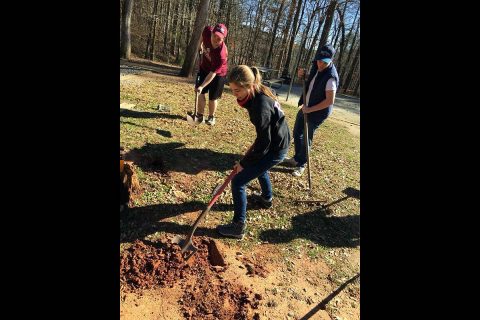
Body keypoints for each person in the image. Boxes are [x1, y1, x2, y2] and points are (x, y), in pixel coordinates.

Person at [216, 65, 291, 239]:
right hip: (277, 140)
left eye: (237, 90)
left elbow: (264, 143)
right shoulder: (256, 94)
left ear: (249, 86)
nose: (234, 94)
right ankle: (266, 199)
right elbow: (264, 136)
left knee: (238, 182)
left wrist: (243, 163)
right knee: (260, 168)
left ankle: (238, 226)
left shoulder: (260, 105)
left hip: (276, 147)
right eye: (232, 90)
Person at [282, 44, 340, 176]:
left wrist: (311, 109)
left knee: (306, 137)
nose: (320, 64)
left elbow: (329, 101)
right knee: (297, 132)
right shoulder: (316, 65)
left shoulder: (331, 77)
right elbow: (313, 80)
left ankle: (302, 164)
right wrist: (304, 75)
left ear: (331, 60)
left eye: (323, 62)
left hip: (318, 112)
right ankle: (297, 159)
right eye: (318, 60)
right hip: (307, 107)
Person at [194, 23, 229, 126]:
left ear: (223, 39)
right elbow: (202, 35)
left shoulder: (221, 54)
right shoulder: (207, 31)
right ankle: (200, 115)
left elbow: (213, 73)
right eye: (214, 36)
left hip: (218, 74)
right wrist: (200, 44)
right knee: (199, 93)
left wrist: (202, 86)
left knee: (213, 97)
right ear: (212, 32)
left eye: (219, 39)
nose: (215, 40)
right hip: (204, 67)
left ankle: (211, 117)